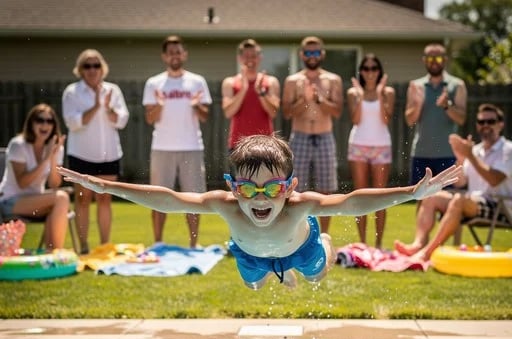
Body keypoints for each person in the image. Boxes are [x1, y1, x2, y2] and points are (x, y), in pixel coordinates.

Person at [59, 134, 461, 289]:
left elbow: (354, 200)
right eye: (249, 188)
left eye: (272, 188)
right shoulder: (227, 207)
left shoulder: (301, 206)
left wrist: (412, 191)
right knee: (253, 283)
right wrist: (104, 186)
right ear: (234, 188)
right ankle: (274, 275)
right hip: (251, 254)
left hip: (301, 248)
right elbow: (167, 197)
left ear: (290, 188)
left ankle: (317, 251)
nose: (260, 198)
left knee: (317, 274)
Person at [395, 103, 512, 261]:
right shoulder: (476, 150)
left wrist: (470, 156)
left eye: (490, 122)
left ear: (500, 124)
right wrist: (461, 158)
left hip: (500, 206)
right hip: (472, 202)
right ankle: (418, 244)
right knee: (430, 196)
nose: (485, 126)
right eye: (481, 122)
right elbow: (459, 183)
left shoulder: (507, 149)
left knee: (458, 200)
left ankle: (426, 254)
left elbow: (495, 180)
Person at [143, 35, 212, 248]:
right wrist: (160, 105)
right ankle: (158, 242)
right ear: (165, 56)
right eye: (171, 52)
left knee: (193, 198)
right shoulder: (154, 83)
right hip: (162, 148)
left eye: (178, 51)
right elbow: (149, 118)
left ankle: (193, 244)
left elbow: (205, 116)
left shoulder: (197, 81)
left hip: (191, 147)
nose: (175, 55)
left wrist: (195, 105)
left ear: (185, 54)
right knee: (158, 198)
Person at [62, 48, 129, 255]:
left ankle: (104, 246)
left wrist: (107, 108)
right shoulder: (72, 92)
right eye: (87, 66)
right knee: (82, 199)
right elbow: (73, 123)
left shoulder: (113, 90)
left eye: (96, 65)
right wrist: (96, 105)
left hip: (108, 154)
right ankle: (83, 247)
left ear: (102, 68)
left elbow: (122, 120)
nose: (92, 70)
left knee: (105, 199)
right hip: (81, 154)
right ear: (80, 70)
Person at [282, 36, 343, 234]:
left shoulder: (332, 80)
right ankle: (299, 234)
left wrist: (319, 99)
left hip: (324, 136)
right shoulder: (293, 81)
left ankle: (324, 236)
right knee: (296, 190)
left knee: (326, 190)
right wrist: (304, 100)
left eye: (316, 52)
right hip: (300, 136)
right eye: (308, 53)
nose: (312, 56)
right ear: (302, 55)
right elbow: (287, 113)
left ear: (322, 54)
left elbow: (337, 112)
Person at [0, 104, 68, 249]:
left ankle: (50, 253)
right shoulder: (18, 145)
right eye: (40, 120)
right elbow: (22, 183)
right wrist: (46, 158)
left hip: (36, 202)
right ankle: (56, 252)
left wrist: (53, 158)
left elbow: (55, 184)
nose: (45, 124)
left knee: (60, 200)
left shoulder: (56, 148)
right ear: (31, 123)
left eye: (49, 121)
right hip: (9, 202)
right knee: (61, 198)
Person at [347, 54, 395, 248]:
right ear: (361, 72)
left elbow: (385, 119)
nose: (370, 72)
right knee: (361, 196)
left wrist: (380, 93)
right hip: (358, 145)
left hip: (381, 146)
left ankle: (378, 244)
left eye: (374, 68)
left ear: (379, 70)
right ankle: (363, 244)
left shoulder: (388, 92)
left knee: (380, 197)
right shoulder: (353, 92)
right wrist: (360, 95)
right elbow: (356, 120)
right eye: (366, 69)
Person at [405, 42, 467, 186]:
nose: (434, 62)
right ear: (424, 60)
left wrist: (447, 106)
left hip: (448, 154)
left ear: (445, 60)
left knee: (447, 201)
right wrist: (419, 104)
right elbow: (409, 120)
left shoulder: (457, 85)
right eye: (430, 58)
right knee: (421, 200)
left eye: (438, 58)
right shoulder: (416, 86)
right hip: (421, 153)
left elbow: (462, 119)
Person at [222, 38, 280, 152]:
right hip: (238, 145)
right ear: (239, 58)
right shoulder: (229, 82)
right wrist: (244, 88)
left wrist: (261, 93)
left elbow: (273, 113)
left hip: (266, 145)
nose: (250, 60)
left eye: (253, 56)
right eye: (246, 56)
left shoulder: (271, 82)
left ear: (260, 58)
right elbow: (228, 112)